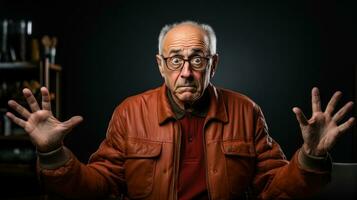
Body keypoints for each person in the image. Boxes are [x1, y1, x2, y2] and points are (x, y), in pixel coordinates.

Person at [6, 21, 355, 200]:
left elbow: (274, 189)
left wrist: (309, 156)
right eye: (175, 60)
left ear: (213, 64)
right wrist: (52, 153)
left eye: (197, 59)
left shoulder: (246, 111)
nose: (186, 71)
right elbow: (98, 188)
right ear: (160, 65)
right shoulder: (130, 113)